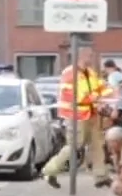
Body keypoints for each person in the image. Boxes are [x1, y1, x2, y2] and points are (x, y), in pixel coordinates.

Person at [42, 49, 108, 187]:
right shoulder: (69, 74)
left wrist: (110, 93)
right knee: (73, 146)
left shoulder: (90, 72)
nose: (91, 57)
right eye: (89, 55)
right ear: (81, 56)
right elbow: (74, 96)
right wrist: (95, 98)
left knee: (97, 145)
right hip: (76, 116)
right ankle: (49, 171)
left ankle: (101, 177)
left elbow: (101, 88)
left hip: (92, 114)